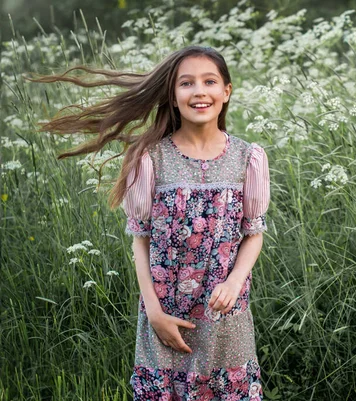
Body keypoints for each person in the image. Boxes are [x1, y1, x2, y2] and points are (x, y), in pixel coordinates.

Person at [35, 46, 270, 400]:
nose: (199, 92)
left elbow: (253, 233)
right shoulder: (150, 158)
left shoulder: (248, 158)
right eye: (186, 83)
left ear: (226, 92)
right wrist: (154, 313)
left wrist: (235, 282)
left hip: (225, 316)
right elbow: (139, 239)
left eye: (209, 81)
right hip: (164, 314)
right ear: (174, 98)